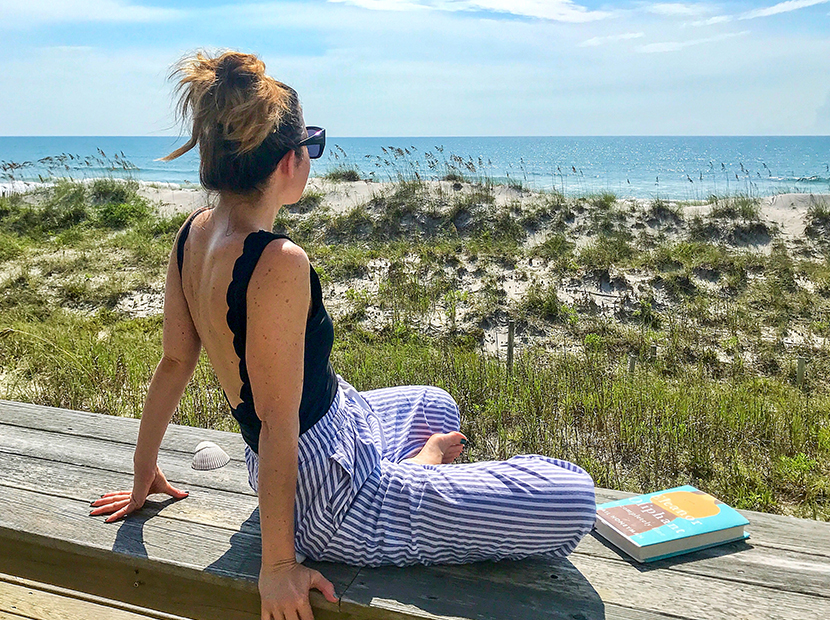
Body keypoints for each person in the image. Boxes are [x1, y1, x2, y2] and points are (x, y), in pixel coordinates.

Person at [90, 51, 596, 620]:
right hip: (328, 498)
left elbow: (173, 365)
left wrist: (143, 472)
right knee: (575, 498)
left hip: (334, 430)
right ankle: (405, 482)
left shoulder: (193, 236)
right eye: (310, 142)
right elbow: (279, 421)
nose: (311, 154)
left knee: (437, 406)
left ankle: (408, 476)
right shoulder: (278, 262)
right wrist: (277, 567)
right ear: (288, 162)